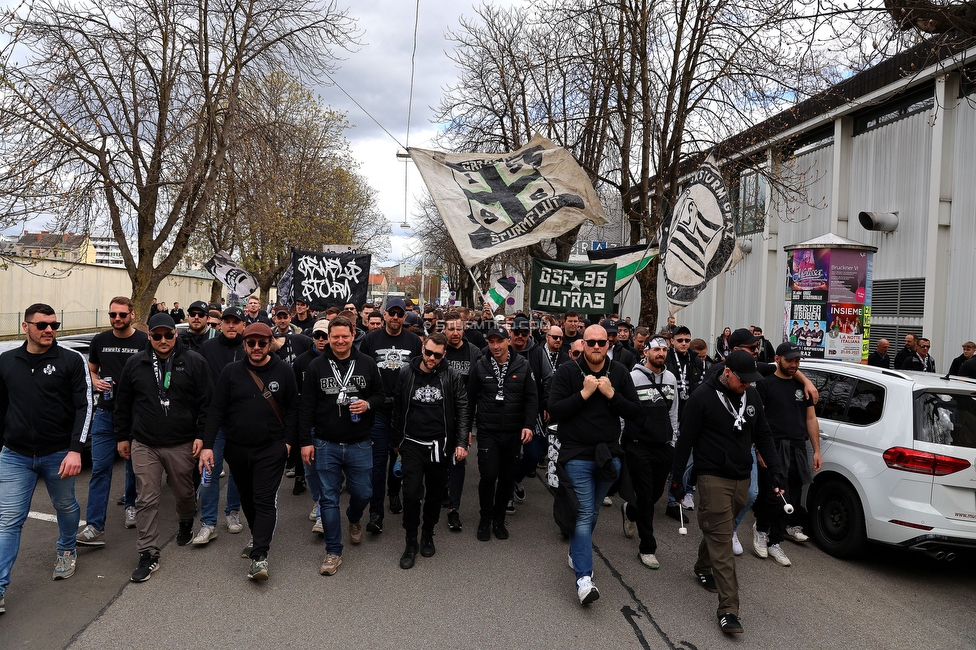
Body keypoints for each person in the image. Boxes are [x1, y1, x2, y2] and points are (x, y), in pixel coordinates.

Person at [669, 350, 784, 634]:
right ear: (728, 372)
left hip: (741, 477)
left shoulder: (751, 396)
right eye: (743, 380)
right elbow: (686, 441)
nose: (747, 385)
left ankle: (702, 566)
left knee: (719, 528)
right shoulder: (702, 397)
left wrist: (776, 471)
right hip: (712, 477)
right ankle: (729, 610)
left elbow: (764, 435)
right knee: (722, 540)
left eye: (750, 381)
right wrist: (677, 480)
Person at [0, 304, 91, 611]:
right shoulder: (6, 362)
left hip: (58, 454)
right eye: (42, 325)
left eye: (54, 324)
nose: (49, 329)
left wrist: (76, 449)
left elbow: (85, 406)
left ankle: (66, 548)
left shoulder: (70, 360)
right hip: (15, 455)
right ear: (25, 327)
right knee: (9, 521)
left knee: (65, 505)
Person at [114, 312, 211, 582]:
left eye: (168, 335)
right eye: (157, 336)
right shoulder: (135, 363)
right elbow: (122, 403)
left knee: (183, 492)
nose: (163, 340)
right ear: (150, 337)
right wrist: (122, 436)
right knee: (146, 497)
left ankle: (185, 520)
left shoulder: (193, 361)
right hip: (144, 442)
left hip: (181, 442)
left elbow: (207, 403)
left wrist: (202, 437)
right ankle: (148, 553)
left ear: (175, 334)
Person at [200, 323, 302, 581]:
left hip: (271, 448)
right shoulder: (231, 371)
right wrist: (208, 446)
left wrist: (288, 443)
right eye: (251, 343)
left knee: (264, 499)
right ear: (244, 344)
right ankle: (258, 537)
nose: (256, 348)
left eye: (262, 343)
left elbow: (293, 409)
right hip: (237, 448)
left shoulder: (284, 371)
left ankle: (260, 555)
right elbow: (216, 410)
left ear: (271, 344)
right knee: (247, 497)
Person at [548, 324, 641, 605]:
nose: (598, 347)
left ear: (608, 345)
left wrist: (613, 395)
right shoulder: (567, 371)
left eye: (603, 342)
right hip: (576, 454)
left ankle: (577, 551)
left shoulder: (620, 373)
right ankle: (584, 580)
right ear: (583, 344)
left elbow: (637, 413)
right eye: (592, 343)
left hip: (608, 456)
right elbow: (554, 409)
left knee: (592, 512)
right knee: (585, 512)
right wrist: (584, 394)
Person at [299, 316, 385, 576]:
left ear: (352, 335)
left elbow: (381, 396)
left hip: (359, 444)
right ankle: (333, 551)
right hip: (325, 443)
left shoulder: (367, 364)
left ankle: (355, 517)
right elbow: (306, 408)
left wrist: (367, 404)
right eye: (334, 336)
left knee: (364, 493)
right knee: (328, 499)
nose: (338, 341)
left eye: (344, 336)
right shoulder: (316, 366)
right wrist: (305, 441)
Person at [391, 333, 470, 569]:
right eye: (428, 352)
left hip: (439, 445)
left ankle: (428, 533)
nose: (431, 358)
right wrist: (396, 442)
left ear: (444, 354)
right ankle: (410, 540)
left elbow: (463, 408)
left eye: (437, 354)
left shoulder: (451, 374)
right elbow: (397, 407)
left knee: (435, 494)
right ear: (422, 348)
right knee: (412, 493)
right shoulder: (407, 372)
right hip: (412, 443)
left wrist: (461, 442)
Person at [77, 297, 148, 548]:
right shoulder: (100, 340)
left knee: (132, 467)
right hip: (105, 414)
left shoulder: (142, 341)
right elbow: (92, 368)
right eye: (112, 315)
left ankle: (131, 506)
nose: (117, 319)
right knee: (99, 470)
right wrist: (95, 380)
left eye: (122, 315)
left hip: (134, 415)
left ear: (132, 314)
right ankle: (95, 526)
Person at [753, 343, 822, 568]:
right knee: (772, 495)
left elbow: (811, 419)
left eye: (797, 361)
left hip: (797, 448)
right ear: (777, 358)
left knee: (791, 497)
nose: (794, 365)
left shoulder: (803, 387)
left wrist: (816, 451)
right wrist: (759, 448)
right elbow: (758, 420)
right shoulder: (765, 384)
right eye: (790, 360)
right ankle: (761, 530)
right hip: (773, 447)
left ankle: (776, 541)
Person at [358, 297, 423, 535]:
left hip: (405, 411)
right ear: (383, 315)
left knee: (400, 458)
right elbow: (362, 370)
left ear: (404, 317)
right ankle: (376, 512)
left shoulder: (414, 341)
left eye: (399, 314)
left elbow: (419, 371)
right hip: (378, 411)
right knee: (377, 464)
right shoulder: (370, 340)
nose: (395, 317)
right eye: (391, 313)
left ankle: (394, 494)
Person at [467, 326, 537, 542]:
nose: (495, 346)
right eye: (491, 342)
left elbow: (531, 397)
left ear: (508, 341)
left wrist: (528, 425)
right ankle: (485, 518)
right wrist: (467, 428)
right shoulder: (480, 365)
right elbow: (470, 399)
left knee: (507, 477)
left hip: (513, 432)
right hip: (488, 431)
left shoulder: (523, 366)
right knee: (488, 476)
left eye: (499, 341)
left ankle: (498, 519)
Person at [622, 337, 679, 569]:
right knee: (646, 494)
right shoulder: (632, 377)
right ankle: (647, 547)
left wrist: (674, 440)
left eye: (664, 350)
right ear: (645, 352)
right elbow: (623, 411)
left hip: (663, 445)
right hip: (638, 444)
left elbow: (674, 411)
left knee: (655, 493)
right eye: (656, 349)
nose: (661, 353)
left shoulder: (671, 378)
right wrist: (621, 441)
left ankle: (630, 509)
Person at [194, 307, 247, 544]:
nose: (231, 326)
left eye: (236, 322)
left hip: (241, 423)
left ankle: (233, 512)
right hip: (214, 422)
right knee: (209, 473)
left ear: (243, 325)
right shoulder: (207, 348)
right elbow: (199, 384)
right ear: (220, 325)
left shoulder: (250, 347)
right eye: (227, 322)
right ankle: (208, 522)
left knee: (238, 472)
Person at [508, 316, 552, 512]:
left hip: (531, 411)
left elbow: (549, 378)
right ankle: (507, 493)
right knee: (509, 455)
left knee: (533, 454)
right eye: (516, 332)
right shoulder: (503, 350)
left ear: (529, 334)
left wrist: (545, 404)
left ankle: (516, 478)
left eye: (524, 333)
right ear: (510, 332)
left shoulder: (537, 352)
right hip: (506, 411)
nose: (520, 336)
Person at [441, 312, 481, 532]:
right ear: (443, 330)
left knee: (458, 461)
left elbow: (476, 390)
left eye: (458, 328)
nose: (455, 333)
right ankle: (440, 491)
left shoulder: (474, 353)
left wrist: (468, 426)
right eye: (450, 329)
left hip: (462, 415)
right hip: (436, 416)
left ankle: (453, 510)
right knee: (438, 462)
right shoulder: (437, 351)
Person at [663, 326, 704, 517]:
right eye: (680, 340)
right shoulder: (666, 358)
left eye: (687, 340)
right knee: (667, 461)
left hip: (689, 418)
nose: (684, 344)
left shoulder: (695, 360)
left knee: (686, 463)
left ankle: (675, 501)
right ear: (672, 341)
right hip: (669, 417)